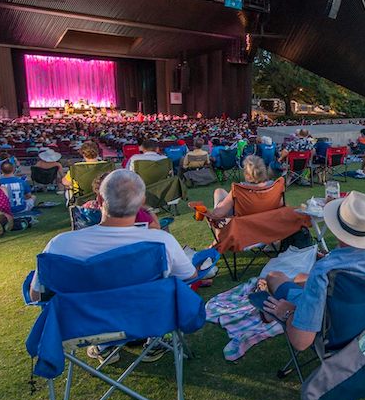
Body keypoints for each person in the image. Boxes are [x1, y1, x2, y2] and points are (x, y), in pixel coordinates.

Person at [29, 170, 201, 364]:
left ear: (100, 200)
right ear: (141, 202)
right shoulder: (160, 241)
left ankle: (104, 346)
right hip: (148, 321)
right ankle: (154, 341)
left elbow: (37, 296)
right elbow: (189, 276)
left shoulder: (60, 245)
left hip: (83, 327)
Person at [258, 191, 365, 351]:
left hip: (336, 335)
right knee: (300, 277)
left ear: (338, 231)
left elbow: (301, 342)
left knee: (275, 276)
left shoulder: (325, 271)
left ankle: (270, 306)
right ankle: (288, 294)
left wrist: (287, 312)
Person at [209, 155, 274, 219]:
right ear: (264, 170)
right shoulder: (273, 186)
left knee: (219, 200)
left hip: (244, 225)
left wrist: (211, 212)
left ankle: (217, 227)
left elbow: (218, 214)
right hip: (267, 222)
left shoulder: (240, 188)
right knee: (219, 191)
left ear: (246, 174)